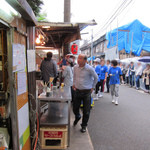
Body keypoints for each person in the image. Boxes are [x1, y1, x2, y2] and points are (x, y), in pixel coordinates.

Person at [73, 54, 98, 133]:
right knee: (75, 108)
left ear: (85, 60)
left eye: (80, 58)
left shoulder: (89, 69)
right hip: (77, 90)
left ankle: (84, 125)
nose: (78, 60)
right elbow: (74, 76)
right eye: (78, 58)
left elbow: (96, 77)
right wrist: (73, 84)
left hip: (87, 92)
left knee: (86, 111)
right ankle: (77, 116)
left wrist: (93, 87)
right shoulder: (75, 67)